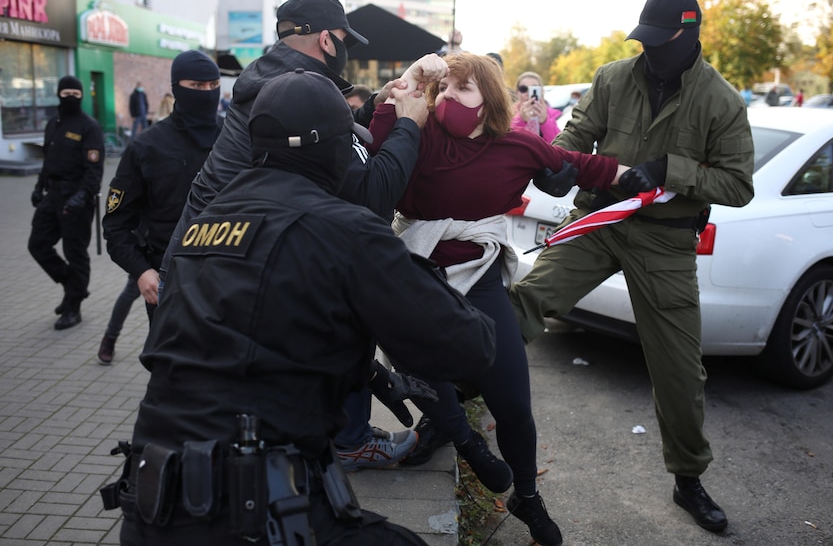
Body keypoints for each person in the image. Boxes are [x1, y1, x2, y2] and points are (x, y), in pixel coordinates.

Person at [102, 68, 498, 546]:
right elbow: (470, 347)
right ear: (334, 149)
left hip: (152, 509)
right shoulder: (343, 229)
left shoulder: (201, 229)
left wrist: (371, 373)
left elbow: (244, 337)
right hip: (250, 515)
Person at [159, 0, 441, 471]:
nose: (346, 48)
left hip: (198, 260)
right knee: (342, 319)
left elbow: (326, 136)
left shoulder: (272, 78)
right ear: (329, 39)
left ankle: (297, 451)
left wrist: (376, 102)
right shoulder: (309, 86)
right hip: (228, 268)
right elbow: (372, 195)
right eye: (345, 40)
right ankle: (345, 443)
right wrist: (410, 124)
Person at [509, 0, 755, 534]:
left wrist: (671, 170)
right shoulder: (613, 77)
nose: (648, 52)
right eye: (642, 40)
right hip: (600, 220)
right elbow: (577, 136)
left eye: (659, 42)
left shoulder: (721, 100)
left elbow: (738, 185)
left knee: (679, 369)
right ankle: (454, 401)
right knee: (524, 301)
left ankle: (688, 478)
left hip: (665, 241)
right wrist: (557, 164)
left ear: (689, 34)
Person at [367, 52, 628, 546]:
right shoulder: (417, 132)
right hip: (415, 270)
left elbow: (581, 165)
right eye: (443, 90)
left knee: (513, 400)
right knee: (420, 364)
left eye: (459, 90)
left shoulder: (517, 146)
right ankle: (464, 442)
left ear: (487, 100)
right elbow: (376, 146)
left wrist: (643, 179)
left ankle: (527, 496)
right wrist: (407, 84)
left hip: (480, 275)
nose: (446, 99)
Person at [103, 50, 222, 334]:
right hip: (169, 281)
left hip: (229, 277)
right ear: (176, 88)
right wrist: (142, 272)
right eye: (196, 87)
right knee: (172, 372)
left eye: (213, 86)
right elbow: (116, 225)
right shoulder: (147, 147)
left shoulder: (236, 138)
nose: (207, 93)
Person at [28, 75, 104, 330]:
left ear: (81, 96)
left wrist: (81, 196)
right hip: (53, 195)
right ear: (58, 95)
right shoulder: (53, 124)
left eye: (75, 93)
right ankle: (74, 287)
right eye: (66, 93)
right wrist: (39, 188)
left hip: (77, 199)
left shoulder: (89, 126)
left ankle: (73, 308)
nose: (71, 96)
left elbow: (94, 170)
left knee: (75, 254)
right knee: (37, 244)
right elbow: (47, 162)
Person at [511, 71, 561, 143]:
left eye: (534, 89)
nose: (529, 93)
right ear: (516, 93)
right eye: (523, 89)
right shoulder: (508, 115)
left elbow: (559, 146)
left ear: (541, 92)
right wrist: (520, 120)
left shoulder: (554, 115)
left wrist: (545, 121)